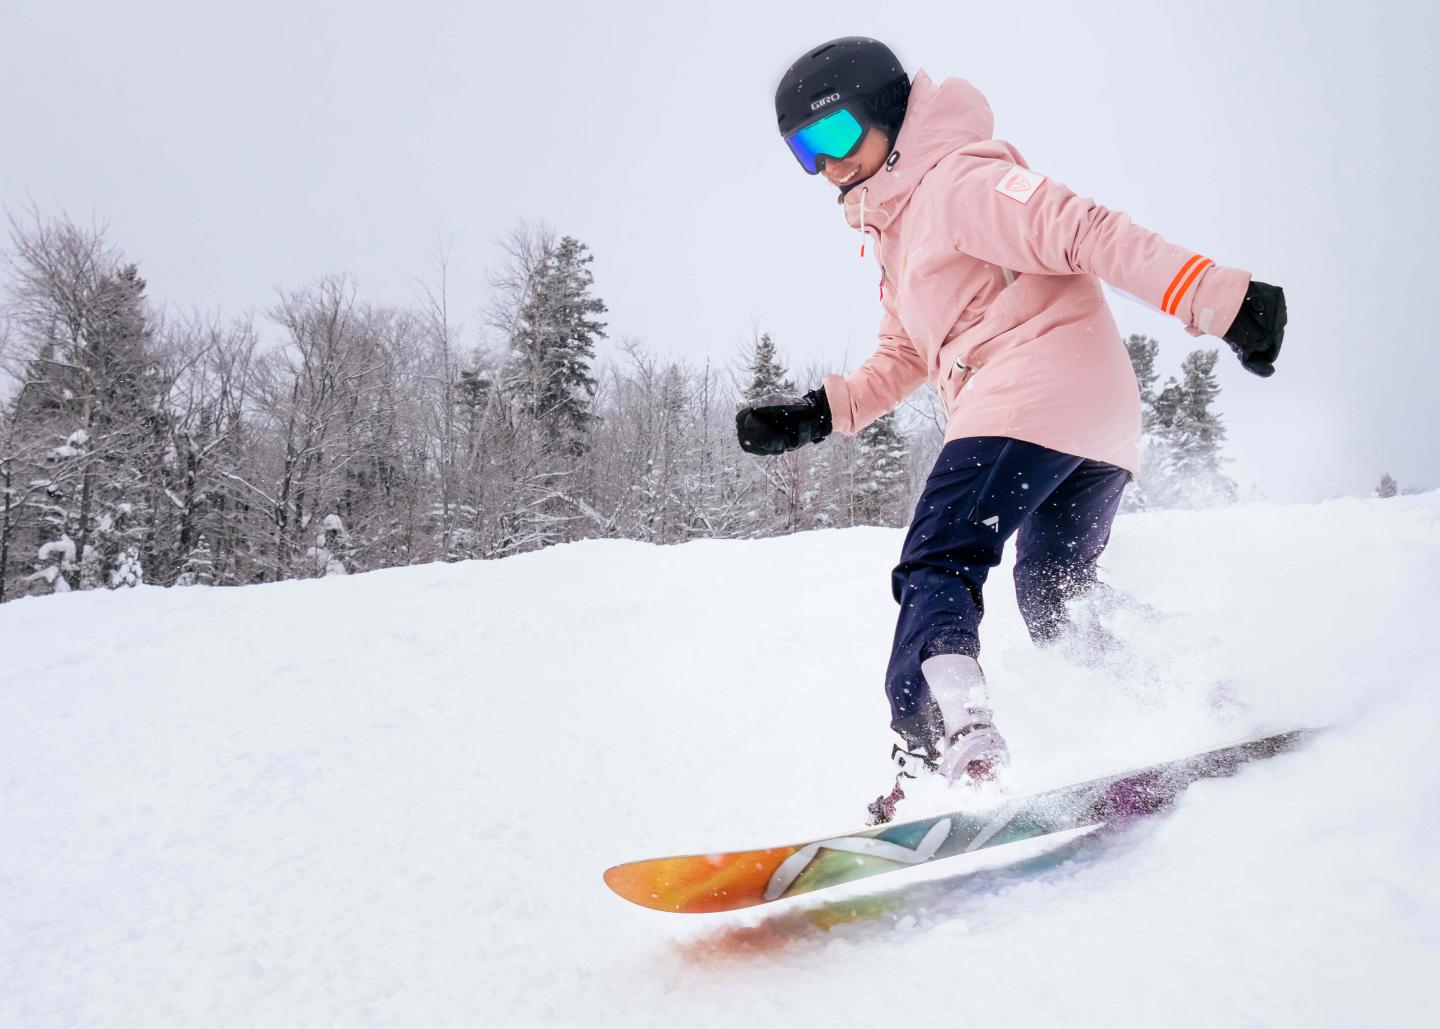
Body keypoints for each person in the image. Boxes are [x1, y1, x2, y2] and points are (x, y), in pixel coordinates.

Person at [736, 37, 1288, 825]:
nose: (825, 165)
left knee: (937, 559)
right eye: (803, 151)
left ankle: (942, 750)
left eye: (833, 134)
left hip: (1033, 387)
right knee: (1055, 597)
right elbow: (903, 354)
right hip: (1091, 420)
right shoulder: (899, 235)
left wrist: (1219, 297)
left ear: (887, 110)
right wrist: (818, 412)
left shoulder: (959, 181)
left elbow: (1082, 228)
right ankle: (1201, 686)